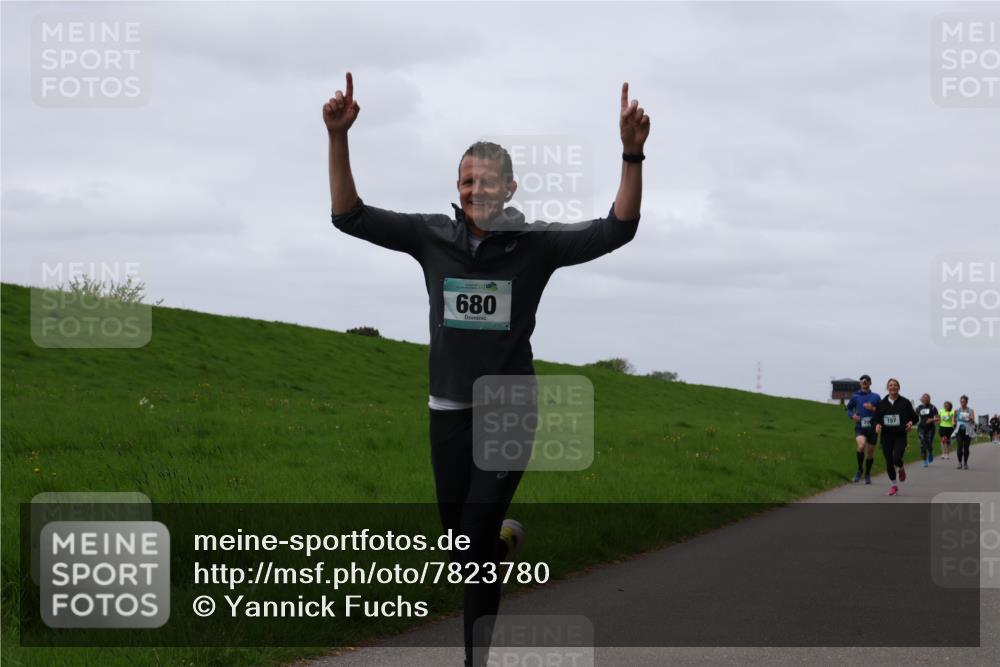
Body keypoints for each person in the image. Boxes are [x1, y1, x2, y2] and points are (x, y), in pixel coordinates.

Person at [323, 72, 649, 667]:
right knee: (462, 543)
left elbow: (616, 229)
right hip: (446, 407)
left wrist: (631, 153)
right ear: (458, 185)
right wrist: (338, 137)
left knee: (470, 541)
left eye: (489, 181)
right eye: (468, 180)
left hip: (507, 407)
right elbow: (351, 217)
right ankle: (500, 541)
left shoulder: (535, 244)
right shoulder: (431, 236)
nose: (477, 189)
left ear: (509, 188)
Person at [874, 378, 917, 496]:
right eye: (890, 385)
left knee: (896, 458)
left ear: (898, 388)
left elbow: (915, 417)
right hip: (886, 436)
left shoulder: (905, 402)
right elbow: (876, 419)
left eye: (895, 385)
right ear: (887, 388)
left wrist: (910, 423)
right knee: (888, 462)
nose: (893, 387)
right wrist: (877, 425)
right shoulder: (882, 404)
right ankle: (894, 485)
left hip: (900, 435)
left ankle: (901, 467)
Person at [845, 374, 880, 484]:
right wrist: (852, 416)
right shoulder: (855, 396)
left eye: (866, 380)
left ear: (870, 383)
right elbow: (848, 409)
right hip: (860, 426)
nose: (864, 382)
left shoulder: (876, 396)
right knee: (861, 445)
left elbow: (882, 410)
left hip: (873, 428)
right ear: (860, 383)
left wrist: (873, 408)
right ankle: (860, 469)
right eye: (862, 381)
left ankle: (867, 474)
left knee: (870, 452)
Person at [915, 393, 939, 467]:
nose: (925, 399)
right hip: (921, 428)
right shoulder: (919, 408)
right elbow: (914, 416)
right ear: (922, 399)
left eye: (927, 398)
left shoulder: (933, 407)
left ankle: (930, 452)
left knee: (928, 442)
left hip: (930, 428)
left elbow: (938, 418)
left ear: (929, 399)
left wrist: (931, 419)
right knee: (922, 444)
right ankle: (925, 461)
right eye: (924, 398)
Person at [954, 395, 976, 469]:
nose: (962, 403)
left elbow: (973, 421)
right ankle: (959, 463)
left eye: (964, 402)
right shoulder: (957, 410)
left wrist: (970, 418)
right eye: (961, 401)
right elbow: (954, 418)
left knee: (966, 448)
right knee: (959, 447)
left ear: (966, 402)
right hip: (959, 431)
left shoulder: (970, 410)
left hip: (967, 431)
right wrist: (953, 423)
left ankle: (965, 463)